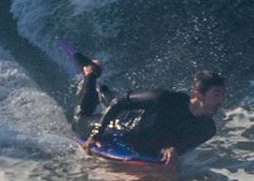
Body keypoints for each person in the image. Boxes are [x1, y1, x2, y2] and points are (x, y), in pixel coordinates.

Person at [73, 58, 227, 163]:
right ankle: (91, 73)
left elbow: (181, 144)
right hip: (123, 127)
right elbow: (119, 102)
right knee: (78, 121)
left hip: (140, 122)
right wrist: (95, 135)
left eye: (222, 95)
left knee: (119, 102)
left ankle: (103, 91)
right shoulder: (166, 99)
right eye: (216, 95)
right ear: (198, 94)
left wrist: (173, 149)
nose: (220, 102)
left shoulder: (207, 129)